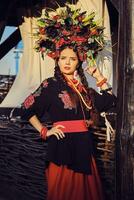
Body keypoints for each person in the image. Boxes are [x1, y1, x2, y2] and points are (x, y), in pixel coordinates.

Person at [22, 4, 116, 200]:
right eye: (62, 58)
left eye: (72, 59)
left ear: (78, 62)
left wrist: (99, 76)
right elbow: (27, 108)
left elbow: (109, 101)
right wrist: (45, 131)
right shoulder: (50, 85)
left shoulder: (84, 90)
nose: (66, 62)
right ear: (57, 60)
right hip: (62, 148)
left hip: (84, 148)